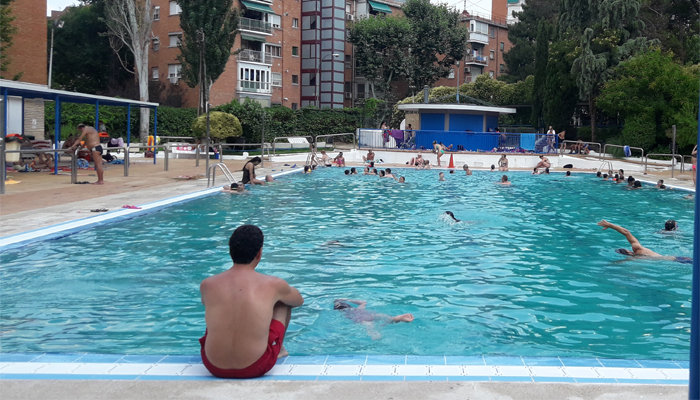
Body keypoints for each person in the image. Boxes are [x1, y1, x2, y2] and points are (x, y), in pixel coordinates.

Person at [199, 225, 304, 378]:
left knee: (217, 308)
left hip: (213, 366)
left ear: (230, 251)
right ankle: (279, 349)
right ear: (259, 254)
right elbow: (298, 301)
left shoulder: (207, 284)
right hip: (255, 366)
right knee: (283, 302)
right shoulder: (273, 284)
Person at [597, 219, 691, 263]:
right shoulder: (637, 248)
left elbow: (620, 262)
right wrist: (610, 225)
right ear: (628, 250)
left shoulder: (632, 259)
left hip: (671, 262)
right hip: (675, 258)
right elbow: (626, 232)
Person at [333, 299, 414, 339]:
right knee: (388, 318)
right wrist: (347, 300)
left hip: (362, 319)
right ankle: (399, 318)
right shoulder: (359, 308)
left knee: (371, 330)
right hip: (371, 315)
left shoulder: (345, 313)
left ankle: (376, 336)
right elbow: (363, 302)